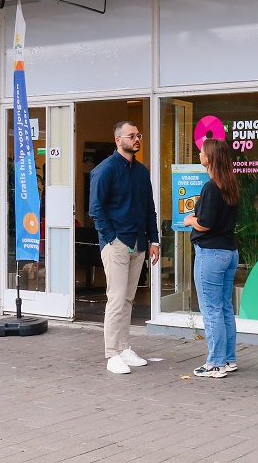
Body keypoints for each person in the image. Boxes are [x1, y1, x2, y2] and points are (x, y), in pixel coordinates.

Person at [88, 121, 160, 375]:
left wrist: (154, 240)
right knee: (116, 298)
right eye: (132, 136)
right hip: (117, 243)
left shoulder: (141, 172)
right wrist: (111, 239)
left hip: (139, 243)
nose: (137, 139)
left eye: (138, 135)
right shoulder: (104, 171)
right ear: (118, 140)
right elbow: (95, 209)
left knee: (128, 298)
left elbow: (149, 208)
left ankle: (124, 347)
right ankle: (112, 354)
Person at [182, 138, 240, 378]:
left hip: (211, 254)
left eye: (202, 151)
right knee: (225, 308)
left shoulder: (210, 187)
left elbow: (204, 223)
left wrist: (189, 220)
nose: (198, 153)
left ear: (211, 157)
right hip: (229, 252)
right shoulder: (230, 186)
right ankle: (228, 359)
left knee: (211, 310)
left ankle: (215, 363)